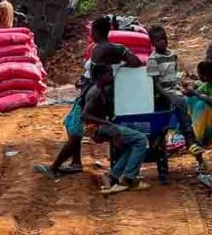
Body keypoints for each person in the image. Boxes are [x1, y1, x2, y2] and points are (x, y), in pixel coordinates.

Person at [34, 16, 143, 179]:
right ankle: (76, 162)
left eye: (92, 31)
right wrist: (120, 67)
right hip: (96, 91)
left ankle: (55, 167)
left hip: (91, 93)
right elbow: (135, 62)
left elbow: (95, 73)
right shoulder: (115, 48)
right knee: (72, 126)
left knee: (74, 127)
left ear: (97, 32)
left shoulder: (100, 49)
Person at [81, 63, 149, 194]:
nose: (112, 76)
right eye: (109, 74)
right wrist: (108, 124)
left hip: (99, 127)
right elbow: (85, 115)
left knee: (132, 144)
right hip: (98, 128)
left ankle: (114, 175)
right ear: (100, 76)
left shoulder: (99, 88)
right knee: (140, 139)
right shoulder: (95, 93)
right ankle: (128, 179)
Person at [146, 25, 205, 163]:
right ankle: (186, 141)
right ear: (153, 43)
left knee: (185, 104)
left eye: (164, 39)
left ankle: (191, 142)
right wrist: (168, 96)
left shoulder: (173, 55)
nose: (163, 42)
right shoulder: (152, 60)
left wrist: (182, 86)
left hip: (174, 89)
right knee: (175, 108)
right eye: (159, 40)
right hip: (161, 93)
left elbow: (173, 75)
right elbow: (155, 84)